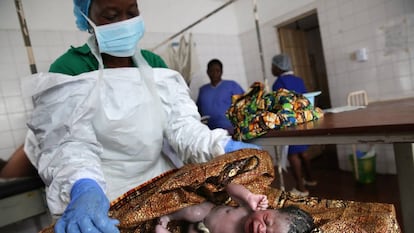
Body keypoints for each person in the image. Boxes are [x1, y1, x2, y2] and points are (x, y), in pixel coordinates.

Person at [23, 1, 260, 233]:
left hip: (159, 180)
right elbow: (68, 145)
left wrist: (219, 145)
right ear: (87, 18)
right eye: (111, 15)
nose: (124, 23)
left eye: (131, 12)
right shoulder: (71, 68)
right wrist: (84, 187)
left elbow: (182, 127)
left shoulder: (154, 65)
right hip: (101, 192)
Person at [155, 183, 315, 233]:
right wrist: (248, 196)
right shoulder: (248, 208)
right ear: (269, 210)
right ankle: (170, 217)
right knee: (193, 211)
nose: (261, 229)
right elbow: (230, 187)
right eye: (266, 221)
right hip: (206, 213)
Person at [271, 54, 317, 197]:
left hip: (289, 122)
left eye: (273, 66)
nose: (271, 69)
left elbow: (277, 105)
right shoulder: (298, 80)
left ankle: (301, 188)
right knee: (303, 152)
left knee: (292, 155)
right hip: (302, 120)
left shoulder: (279, 82)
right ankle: (310, 179)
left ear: (278, 67)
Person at [196, 59, 244, 135]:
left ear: (221, 72)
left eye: (217, 71)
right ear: (207, 72)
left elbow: (244, 105)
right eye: (211, 71)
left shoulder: (232, 86)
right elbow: (198, 111)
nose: (214, 73)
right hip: (209, 132)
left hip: (230, 130)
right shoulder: (203, 90)